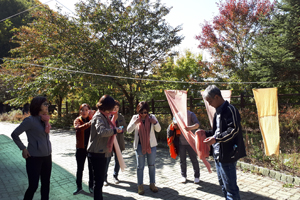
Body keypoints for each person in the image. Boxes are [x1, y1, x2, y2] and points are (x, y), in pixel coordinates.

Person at [202, 85, 246, 200]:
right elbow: (217, 132)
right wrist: (205, 133)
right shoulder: (217, 112)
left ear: (217, 97)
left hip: (228, 154)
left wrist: (216, 139)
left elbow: (233, 130)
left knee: (231, 189)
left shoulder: (230, 109)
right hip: (218, 155)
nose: (209, 104)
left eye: (210, 101)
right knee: (223, 187)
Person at [11, 96, 52, 200]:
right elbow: (14, 134)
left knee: (46, 184)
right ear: (38, 106)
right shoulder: (30, 121)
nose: (47, 106)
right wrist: (23, 148)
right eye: (45, 104)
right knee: (33, 186)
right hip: (34, 158)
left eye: (47, 104)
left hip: (47, 157)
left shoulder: (45, 119)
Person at [87, 95, 122, 200]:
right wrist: (115, 130)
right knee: (98, 182)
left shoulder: (104, 116)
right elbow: (102, 132)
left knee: (99, 181)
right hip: (96, 152)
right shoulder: (99, 117)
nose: (112, 110)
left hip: (101, 151)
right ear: (106, 107)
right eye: (111, 107)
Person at [127, 101, 161, 195]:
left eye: (145, 112)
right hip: (139, 146)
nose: (143, 114)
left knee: (152, 165)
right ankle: (140, 185)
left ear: (148, 111)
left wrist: (155, 123)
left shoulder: (152, 117)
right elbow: (128, 130)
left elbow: (158, 129)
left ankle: (152, 184)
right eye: (141, 112)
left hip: (151, 146)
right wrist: (135, 123)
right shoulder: (135, 117)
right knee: (140, 167)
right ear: (138, 111)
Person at [170, 111, 201, 184]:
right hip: (181, 142)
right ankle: (183, 176)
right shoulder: (176, 115)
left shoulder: (190, 114)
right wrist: (174, 126)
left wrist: (190, 128)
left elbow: (197, 124)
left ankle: (197, 176)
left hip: (191, 142)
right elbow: (173, 125)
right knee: (182, 160)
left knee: (194, 159)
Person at [104, 100, 127, 186]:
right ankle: (104, 178)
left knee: (118, 160)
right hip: (109, 141)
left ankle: (115, 176)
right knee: (107, 160)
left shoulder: (121, 116)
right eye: (114, 107)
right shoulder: (107, 116)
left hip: (119, 141)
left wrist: (121, 130)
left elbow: (125, 127)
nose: (115, 109)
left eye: (117, 107)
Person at [73, 103, 95, 195]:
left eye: (86, 110)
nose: (84, 112)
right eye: (82, 110)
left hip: (90, 148)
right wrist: (89, 124)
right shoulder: (78, 120)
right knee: (80, 168)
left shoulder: (92, 119)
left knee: (91, 169)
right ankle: (79, 187)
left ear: (89, 111)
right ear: (80, 111)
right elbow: (78, 128)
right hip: (81, 148)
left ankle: (91, 186)